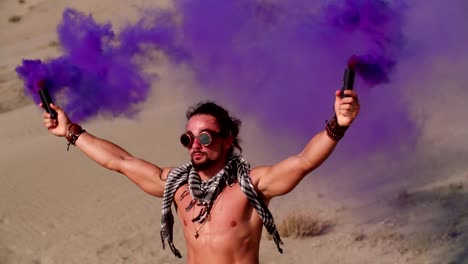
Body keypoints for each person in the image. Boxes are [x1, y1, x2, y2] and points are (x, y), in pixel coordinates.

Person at [41, 89, 360, 264]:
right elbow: (121, 161)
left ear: (228, 140)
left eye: (205, 138)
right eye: (189, 138)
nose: (196, 145)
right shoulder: (176, 185)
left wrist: (339, 124)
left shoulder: (252, 186)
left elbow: (304, 161)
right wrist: (69, 130)